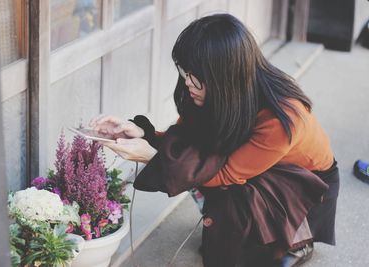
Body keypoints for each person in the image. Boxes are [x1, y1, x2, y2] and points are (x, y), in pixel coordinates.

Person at [90, 14, 339, 267]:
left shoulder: (282, 117)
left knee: (228, 193)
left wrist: (152, 156)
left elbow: (225, 175)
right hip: (261, 169)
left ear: (225, 75)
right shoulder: (225, 92)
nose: (187, 81)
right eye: (184, 70)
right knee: (198, 167)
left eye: (195, 75)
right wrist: (145, 135)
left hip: (304, 187)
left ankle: (297, 240)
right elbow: (185, 140)